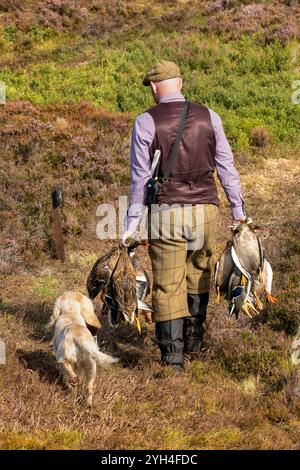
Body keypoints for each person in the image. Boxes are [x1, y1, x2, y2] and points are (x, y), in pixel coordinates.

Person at [121, 60, 246, 371]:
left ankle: (173, 360)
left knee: (167, 283)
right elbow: (227, 168)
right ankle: (195, 343)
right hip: (206, 211)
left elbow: (139, 179)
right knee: (198, 272)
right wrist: (239, 211)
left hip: (166, 212)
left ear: (154, 86)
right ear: (180, 83)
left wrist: (130, 225)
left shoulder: (146, 121)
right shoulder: (210, 117)